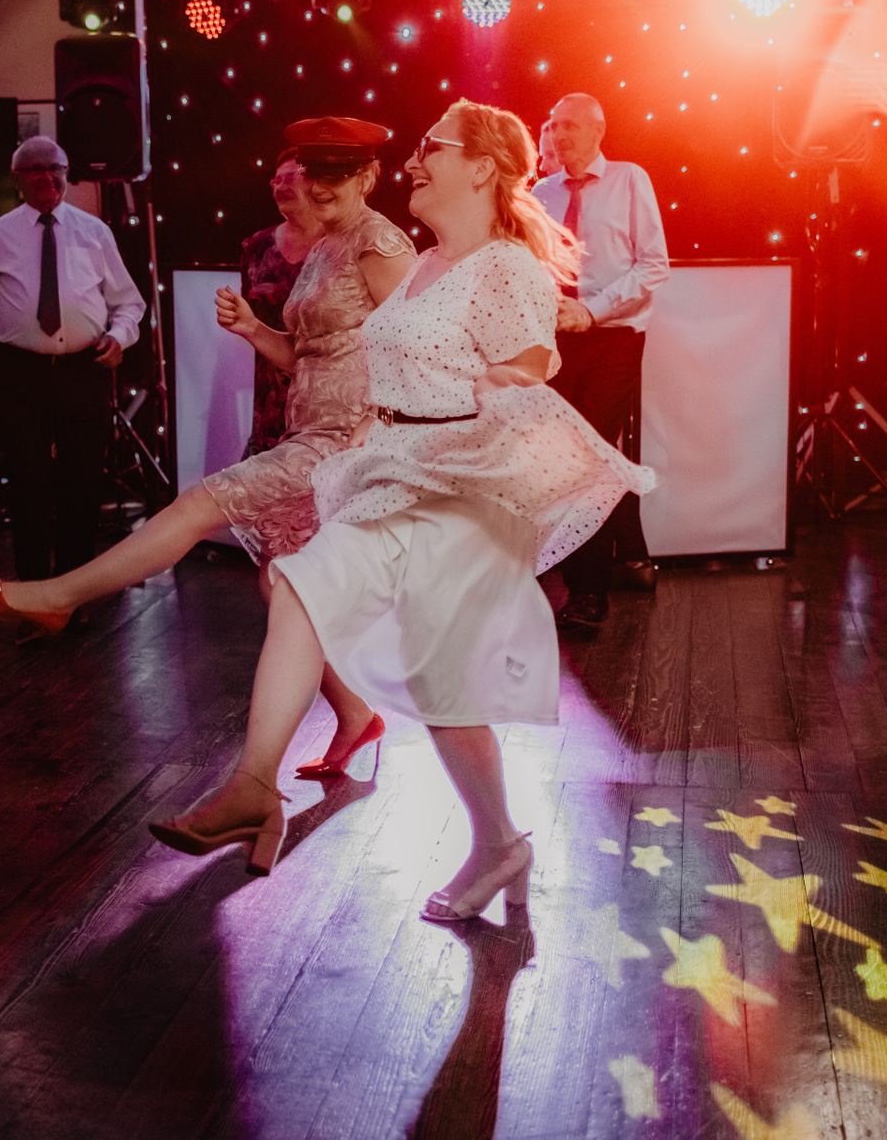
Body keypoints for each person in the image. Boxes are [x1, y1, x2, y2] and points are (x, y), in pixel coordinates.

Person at [145, 101, 654, 914]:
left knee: (434, 683)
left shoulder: (507, 268)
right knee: (303, 589)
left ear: (481, 167)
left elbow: (529, 367)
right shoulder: (425, 264)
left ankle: (496, 843)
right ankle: (258, 790)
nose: (412, 162)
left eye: (430, 148)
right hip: (392, 470)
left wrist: (499, 386)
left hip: (455, 489)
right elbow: (391, 367)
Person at [0, 117, 413, 778]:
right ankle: (356, 716)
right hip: (310, 429)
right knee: (279, 583)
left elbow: (421, 350)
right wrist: (253, 329)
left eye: (338, 173)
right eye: (313, 171)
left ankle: (59, 596)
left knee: (198, 504)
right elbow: (309, 355)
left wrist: (376, 422)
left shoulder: (380, 242)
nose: (321, 186)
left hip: (344, 443)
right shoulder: (329, 243)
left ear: (368, 175)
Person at [0, 137, 144, 587]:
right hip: (19, 375)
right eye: (36, 169)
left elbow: (130, 303)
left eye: (55, 168)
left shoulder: (95, 231)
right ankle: (33, 591)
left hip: (85, 371)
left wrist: (119, 337)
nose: (47, 176)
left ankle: (70, 593)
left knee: (83, 486)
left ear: (66, 173)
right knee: (29, 487)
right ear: (18, 179)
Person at [532, 92, 669, 627]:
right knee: (567, 455)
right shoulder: (541, 193)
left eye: (570, 125)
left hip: (613, 337)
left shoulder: (630, 179)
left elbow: (653, 265)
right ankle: (622, 559)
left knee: (586, 455)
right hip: (555, 341)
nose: (559, 134)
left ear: (597, 130)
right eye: (553, 125)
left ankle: (589, 593)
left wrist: (590, 312)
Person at [239, 148, 323, 457]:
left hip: (324, 403)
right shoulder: (256, 246)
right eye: (277, 180)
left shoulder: (339, 245)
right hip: (269, 410)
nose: (282, 187)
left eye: (292, 178)